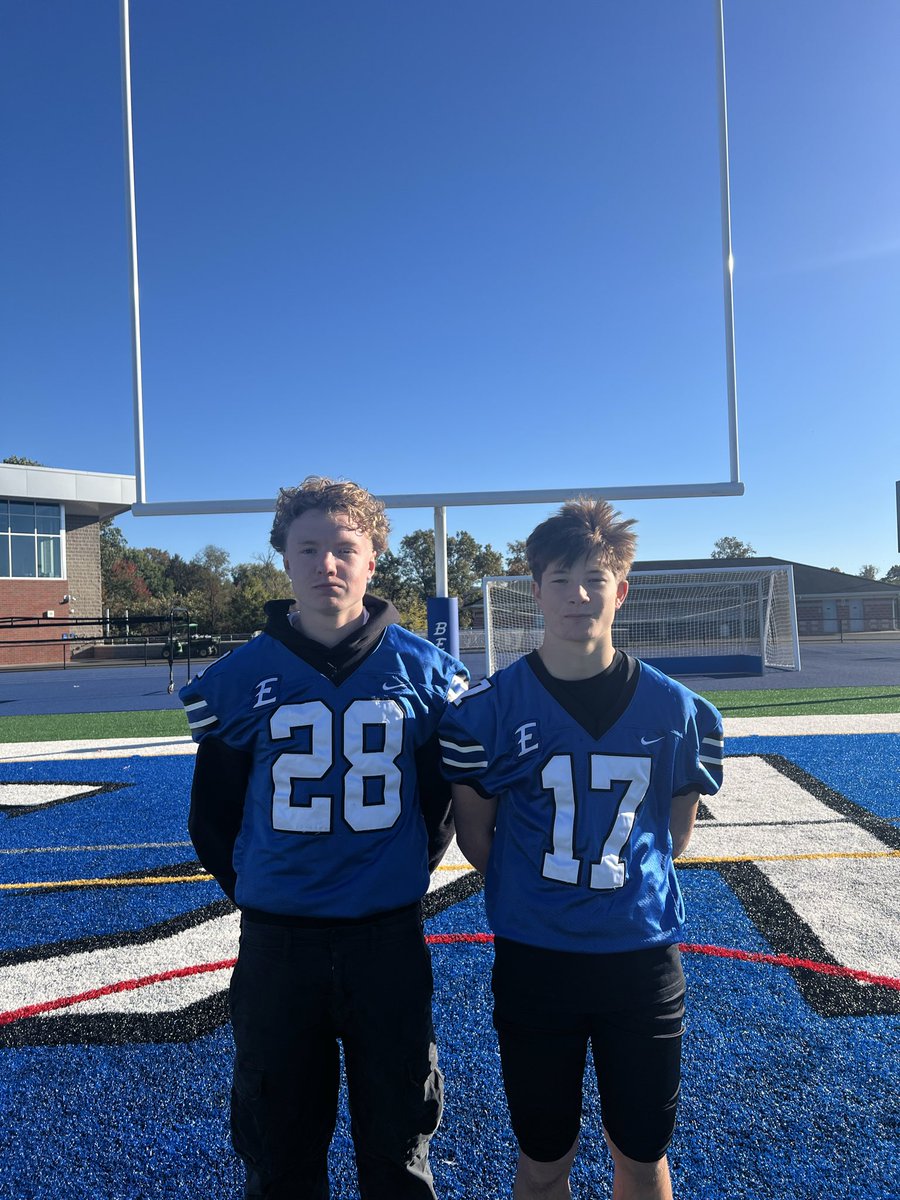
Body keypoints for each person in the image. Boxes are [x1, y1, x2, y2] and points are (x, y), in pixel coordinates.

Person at [180, 476, 468, 1200]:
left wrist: (395, 874)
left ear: (374, 561)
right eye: (308, 548)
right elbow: (212, 816)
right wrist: (266, 894)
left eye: (345, 548)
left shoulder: (424, 671)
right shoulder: (239, 677)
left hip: (386, 940)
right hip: (281, 944)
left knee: (400, 1149)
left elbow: (437, 804)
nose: (326, 564)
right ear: (284, 559)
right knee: (278, 1155)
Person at [439, 498, 723, 1200]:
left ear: (620, 590)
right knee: (543, 1159)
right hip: (537, 963)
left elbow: (674, 833)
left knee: (641, 1154)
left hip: (641, 962)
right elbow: (479, 841)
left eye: (595, 578)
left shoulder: (679, 711)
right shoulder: (486, 712)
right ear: (534, 589)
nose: (577, 595)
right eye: (560, 578)